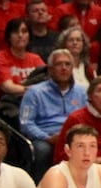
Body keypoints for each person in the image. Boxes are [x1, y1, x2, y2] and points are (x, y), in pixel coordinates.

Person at [20, 46, 88, 179]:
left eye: (67, 64)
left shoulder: (83, 92)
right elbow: (26, 123)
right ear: (50, 69)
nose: (64, 68)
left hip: (75, 135)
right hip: (46, 137)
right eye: (59, 64)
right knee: (42, 150)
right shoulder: (35, 92)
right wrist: (46, 137)